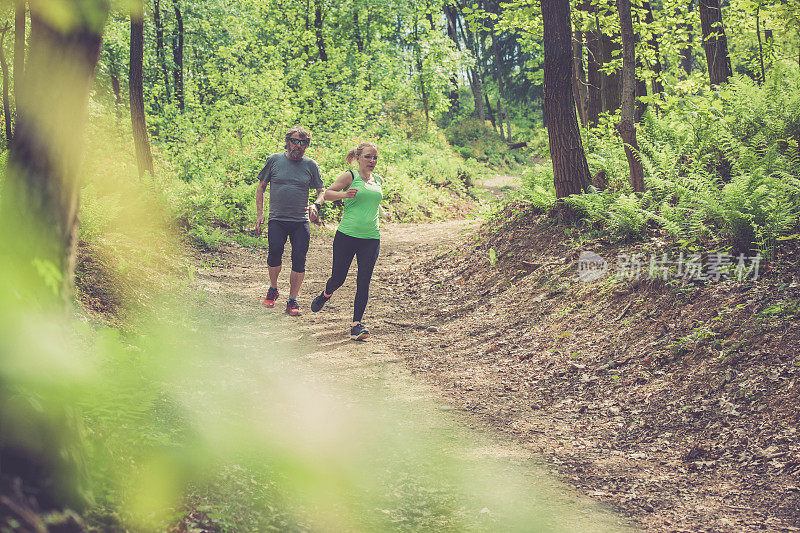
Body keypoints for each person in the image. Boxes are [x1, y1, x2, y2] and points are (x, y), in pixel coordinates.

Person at [309, 142, 383, 341]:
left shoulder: (378, 180)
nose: (372, 161)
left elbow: (372, 203)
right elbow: (327, 194)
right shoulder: (350, 176)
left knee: (364, 280)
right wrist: (344, 194)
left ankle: (357, 324)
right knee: (339, 278)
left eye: (375, 157)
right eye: (368, 157)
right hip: (347, 236)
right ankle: (325, 294)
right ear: (358, 158)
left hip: (371, 238)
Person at [255, 125, 325, 316]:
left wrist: (316, 205)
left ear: (307, 145)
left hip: (300, 221)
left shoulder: (311, 165)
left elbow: (321, 191)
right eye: (294, 141)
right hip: (277, 218)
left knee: (299, 259)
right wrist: (260, 214)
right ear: (287, 142)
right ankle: (273, 288)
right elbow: (261, 187)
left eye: (303, 143)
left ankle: (292, 300)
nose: (298, 146)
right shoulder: (274, 160)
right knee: (274, 254)